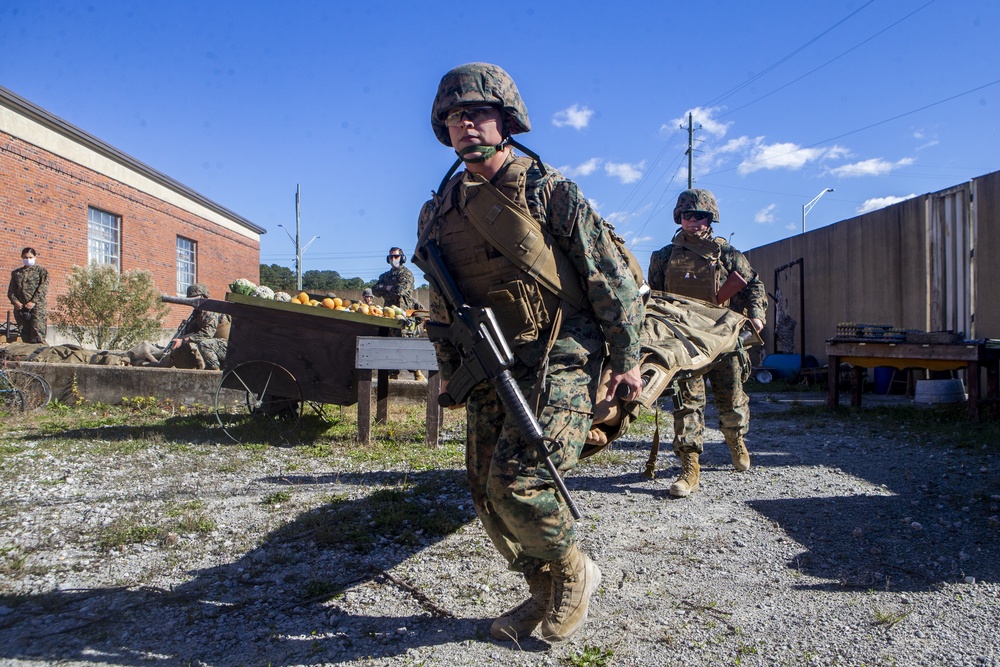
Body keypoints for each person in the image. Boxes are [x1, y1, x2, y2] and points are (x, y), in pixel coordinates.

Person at [416, 63, 644, 643]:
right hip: (489, 360)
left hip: (561, 351)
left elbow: (608, 276)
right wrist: (450, 375)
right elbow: (441, 306)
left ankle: (573, 571)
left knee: (520, 482)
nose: (466, 124)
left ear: (506, 120)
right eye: (454, 116)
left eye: (478, 112)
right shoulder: (438, 210)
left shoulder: (547, 190)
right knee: (485, 494)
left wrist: (625, 360)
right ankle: (541, 591)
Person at [647, 189, 767, 497]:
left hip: (722, 337)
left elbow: (754, 285)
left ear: (710, 218)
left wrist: (756, 316)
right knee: (686, 403)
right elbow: (655, 300)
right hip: (685, 341)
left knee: (732, 398)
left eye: (700, 216)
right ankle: (690, 468)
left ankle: (735, 440)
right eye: (687, 215)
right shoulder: (663, 257)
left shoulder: (727, 254)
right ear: (679, 218)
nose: (693, 221)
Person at [373, 249, 425, 381]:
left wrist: (385, 288)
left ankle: (417, 373)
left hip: (404, 313)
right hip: (389, 314)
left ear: (402, 258)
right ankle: (393, 374)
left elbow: (400, 291)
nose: (393, 259)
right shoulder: (385, 275)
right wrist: (387, 288)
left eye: (396, 256)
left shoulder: (406, 274)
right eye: (391, 257)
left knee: (407, 344)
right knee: (390, 345)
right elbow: (375, 290)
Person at [157, 283, 229, 370]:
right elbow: (192, 333)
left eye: (195, 298)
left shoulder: (210, 310)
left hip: (226, 346)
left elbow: (207, 334)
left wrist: (183, 340)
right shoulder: (198, 313)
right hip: (215, 346)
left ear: (203, 297)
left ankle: (214, 372)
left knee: (204, 344)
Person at [7, 247, 49, 344]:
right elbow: (11, 291)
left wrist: (33, 302)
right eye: (25, 257)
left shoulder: (41, 271)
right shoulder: (16, 273)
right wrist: (15, 302)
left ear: (35, 257)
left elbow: (43, 288)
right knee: (25, 335)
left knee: (37, 335)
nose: (28, 259)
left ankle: (40, 352)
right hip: (21, 309)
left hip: (37, 307)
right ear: (22, 257)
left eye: (30, 257)